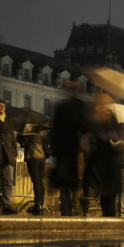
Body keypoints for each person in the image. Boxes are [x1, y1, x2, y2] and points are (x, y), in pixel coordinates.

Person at [50, 86, 87, 216]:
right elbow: (83, 126)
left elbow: (54, 131)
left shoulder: (61, 107)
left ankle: (66, 208)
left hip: (62, 151)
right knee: (74, 182)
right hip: (72, 150)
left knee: (65, 183)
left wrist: (54, 152)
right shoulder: (79, 107)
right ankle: (74, 205)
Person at [17, 129, 51, 215]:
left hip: (33, 157)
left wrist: (20, 135)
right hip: (42, 158)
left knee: (36, 181)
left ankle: (37, 204)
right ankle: (41, 203)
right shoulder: (41, 132)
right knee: (40, 181)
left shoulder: (29, 132)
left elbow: (24, 143)